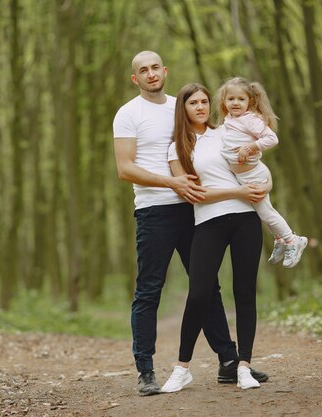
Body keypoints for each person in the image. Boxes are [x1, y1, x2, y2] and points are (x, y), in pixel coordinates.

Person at [112, 52, 268, 396]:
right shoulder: (128, 114)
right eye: (143, 70)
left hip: (197, 209)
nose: (151, 74)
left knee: (206, 287)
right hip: (154, 211)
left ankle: (229, 361)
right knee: (149, 289)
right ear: (134, 78)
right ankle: (146, 370)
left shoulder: (182, 104)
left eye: (155, 67)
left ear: (164, 71)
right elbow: (124, 168)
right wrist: (173, 183)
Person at [160, 83, 271, 392]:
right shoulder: (176, 148)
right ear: (183, 108)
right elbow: (194, 194)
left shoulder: (226, 132)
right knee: (199, 293)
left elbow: (255, 156)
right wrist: (238, 191)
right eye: (193, 102)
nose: (200, 107)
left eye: (205, 101)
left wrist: (257, 180)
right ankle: (182, 368)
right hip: (208, 222)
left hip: (246, 219)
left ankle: (243, 366)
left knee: (245, 292)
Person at [216, 77, 307, 268]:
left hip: (253, 176)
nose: (235, 103)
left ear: (250, 101)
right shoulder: (230, 120)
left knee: (266, 213)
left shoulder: (250, 119)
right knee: (263, 212)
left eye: (241, 99)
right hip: (243, 176)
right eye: (231, 99)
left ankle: (292, 240)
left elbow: (272, 138)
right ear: (224, 101)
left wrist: (249, 148)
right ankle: (281, 239)